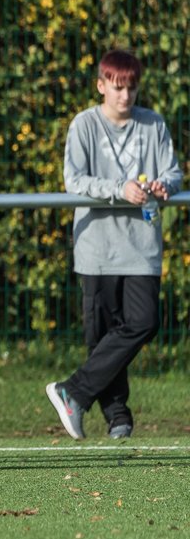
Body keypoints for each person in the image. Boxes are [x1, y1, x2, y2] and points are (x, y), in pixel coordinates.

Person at [46, 50, 181, 440]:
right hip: (97, 248)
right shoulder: (84, 124)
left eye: (132, 88)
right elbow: (75, 181)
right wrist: (118, 190)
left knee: (142, 323)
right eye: (118, 88)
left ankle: (72, 391)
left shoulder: (153, 124)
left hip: (141, 246)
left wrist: (163, 186)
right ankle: (117, 415)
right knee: (103, 336)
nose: (125, 96)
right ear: (102, 85)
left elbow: (172, 171)